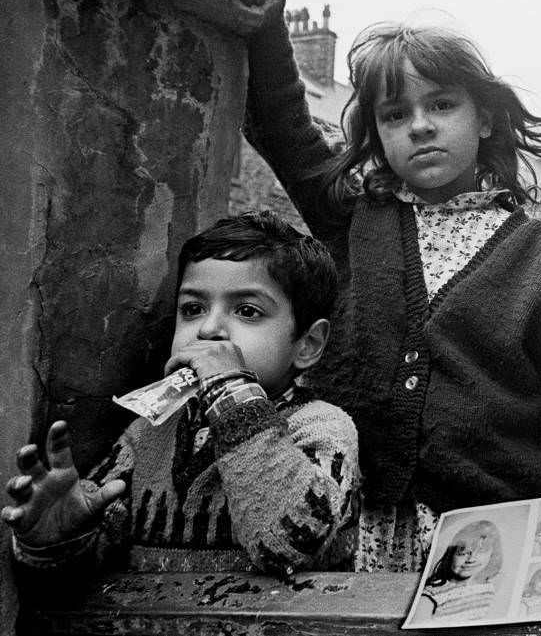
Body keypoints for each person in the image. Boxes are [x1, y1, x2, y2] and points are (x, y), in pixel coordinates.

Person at [244, 12, 541, 571]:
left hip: (494, 531)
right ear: (379, 136)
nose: (420, 125)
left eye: (441, 104)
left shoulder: (540, 255)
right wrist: (265, 10)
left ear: (483, 118)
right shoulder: (351, 218)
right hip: (355, 528)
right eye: (395, 114)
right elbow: (278, 121)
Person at [3, 212, 360, 576]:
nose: (207, 329)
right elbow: (92, 569)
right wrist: (60, 540)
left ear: (307, 344)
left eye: (247, 311)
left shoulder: (322, 427)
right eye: (192, 309)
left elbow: (288, 546)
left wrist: (230, 390)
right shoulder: (149, 435)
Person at [420, 520, 502, 621]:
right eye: (463, 553)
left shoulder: (490, 589)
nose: (471, 560)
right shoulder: (432, 594)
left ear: (492, 555)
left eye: (481, 551)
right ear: (451, 555)